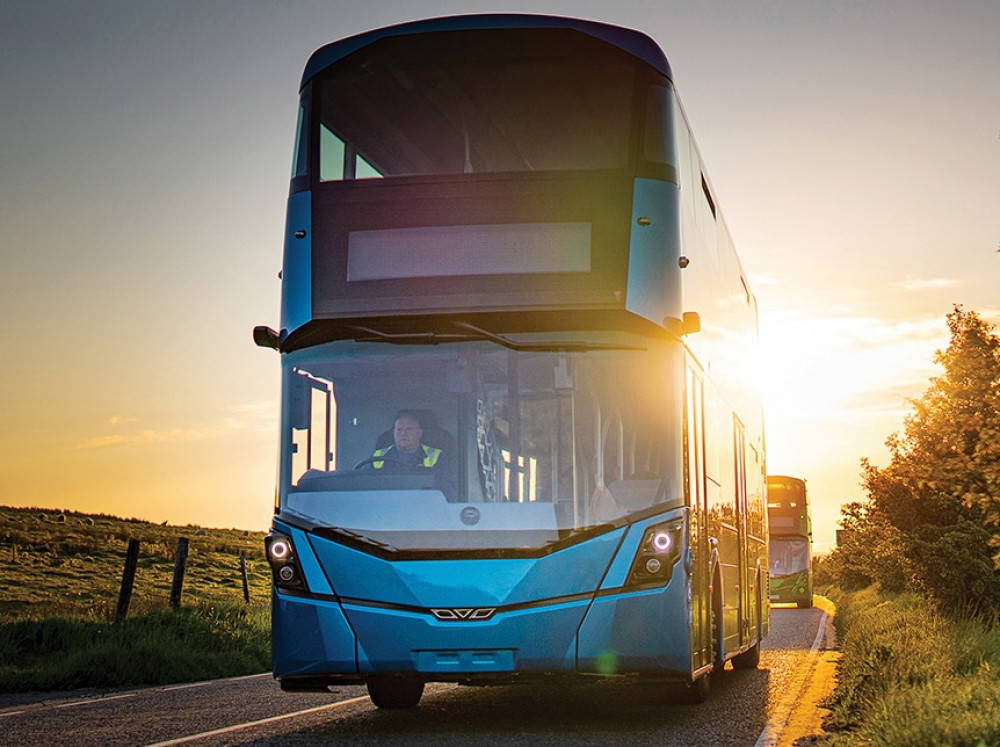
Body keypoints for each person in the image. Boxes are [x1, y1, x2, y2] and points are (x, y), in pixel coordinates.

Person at [372, 411, 443, 469]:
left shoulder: (437, 457)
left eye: (409, 429)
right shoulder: (378, 457)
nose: (403, 433)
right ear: (393, 433)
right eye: (399, 430)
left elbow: (445, 485)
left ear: (420, 433)